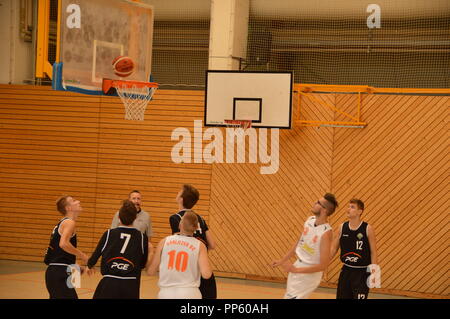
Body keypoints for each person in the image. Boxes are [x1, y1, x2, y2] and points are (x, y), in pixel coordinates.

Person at [272, 193, 338, 299]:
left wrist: (295, 270)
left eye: (318, 203)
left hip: (310, 273)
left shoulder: (326, 233)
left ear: (324, 210)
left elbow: (323, 266)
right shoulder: (310, 220)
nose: (314, 203)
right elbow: (299, 243)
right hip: (298, 266)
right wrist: (282, 260)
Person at [87, 200, 150, 299]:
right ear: (135, 218)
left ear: (119, 218)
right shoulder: (142, 237)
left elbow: (95, 255)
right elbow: (142, 263)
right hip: (130, 284)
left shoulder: (108, 234)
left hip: (109, 282)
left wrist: (89, 265)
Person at [147, 210, 212, 299]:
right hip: (190, 293)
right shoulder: (200, 245)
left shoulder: (164, 241)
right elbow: (206, 274)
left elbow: (151, 271)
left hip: (166, 293)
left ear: (180, 225)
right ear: (196, 227)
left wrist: (150, 253)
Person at [169, 184, 217, 299]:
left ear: (181, 199)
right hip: (203, 269)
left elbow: (178, 245)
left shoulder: (175, 218)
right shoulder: (200, 218)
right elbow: (212, 245)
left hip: (188, 273)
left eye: (179, 192)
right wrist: (200, 253)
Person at [330, 198, 379, 299]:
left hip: (362, 273)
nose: (348, 209)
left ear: (359, 212)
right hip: (346, 271)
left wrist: (374, 273)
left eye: (352, 207)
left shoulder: (367, 228)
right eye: (348, 206)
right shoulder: (342, 227)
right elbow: (333, 249)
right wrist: (323, 263)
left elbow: (373, 252)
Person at [44, 195, 88, 299]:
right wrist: (83, 256)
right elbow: (63, 244)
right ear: (68, 208)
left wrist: (76, 265)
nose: (78, 201)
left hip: (58, 270)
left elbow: (59, 252)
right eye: (73, 201)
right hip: (59, 272)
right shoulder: (69, 222)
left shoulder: (63, 222)